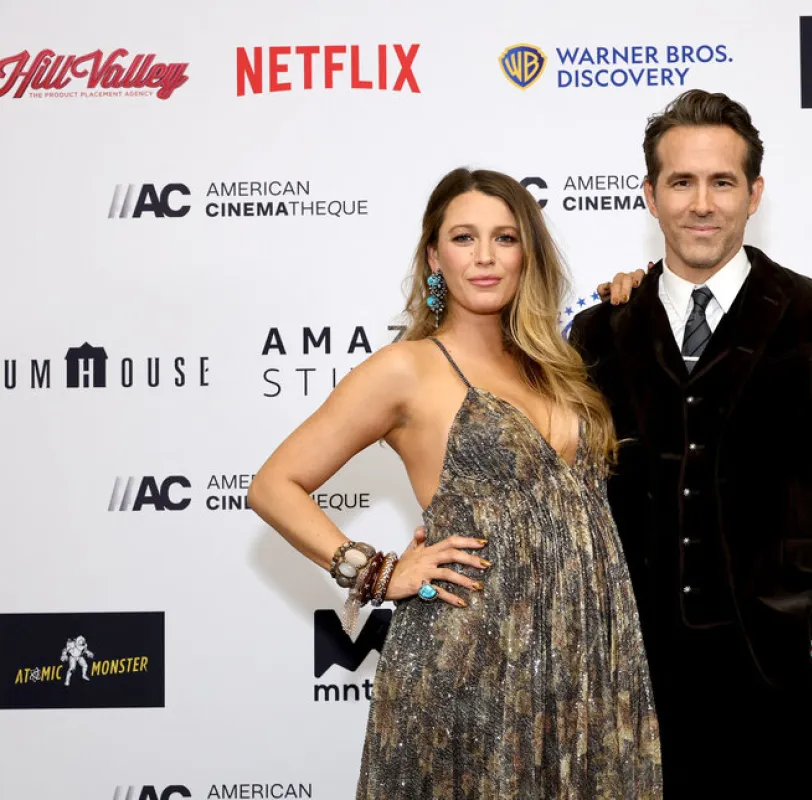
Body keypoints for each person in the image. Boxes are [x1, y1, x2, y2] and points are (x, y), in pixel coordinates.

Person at [247, 167, 662, 799]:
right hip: (470, 658)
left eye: (505, 237)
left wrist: (635, 292)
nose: (487, 256)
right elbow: (274, 484)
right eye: (465, 238)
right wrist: (378, 573)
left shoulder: (560, 364)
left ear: (529, 253)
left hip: (585, 659)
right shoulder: (406, 369)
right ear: (434, 257)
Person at [568, 90, 812, 796]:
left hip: (773, 672)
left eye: (722, 182)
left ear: (755, 194)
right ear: (650, 196)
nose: (702, 203)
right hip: (628, 676)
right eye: (681, 182)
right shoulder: (599, 331)